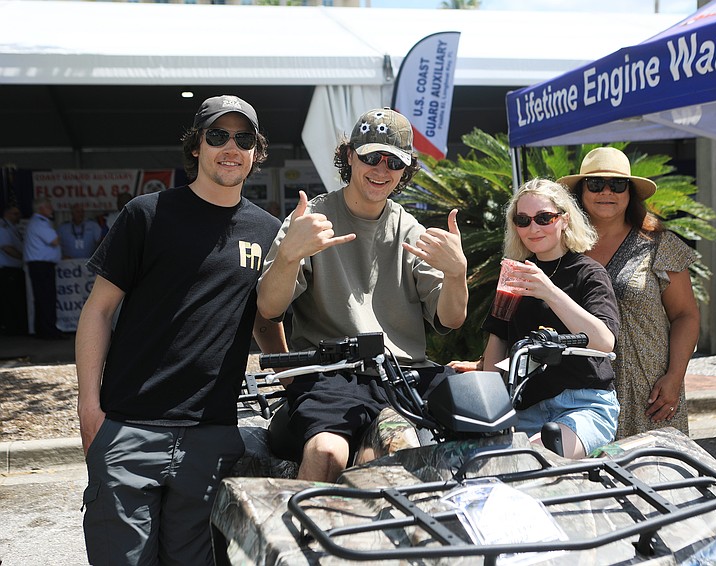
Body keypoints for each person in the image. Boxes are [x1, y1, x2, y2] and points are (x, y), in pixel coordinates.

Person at [76, 94, 287, 565]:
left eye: (243, 139)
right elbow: (98, 311)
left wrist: (294, 387)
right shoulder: (146, 215)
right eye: (217, 136)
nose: (230, 148)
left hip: (211, 436)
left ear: (256, 151)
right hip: (130, 425)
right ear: (196, 146)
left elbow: (265, 320)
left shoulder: (269, 231)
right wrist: (89, 406)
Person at [257, 107, 468, 483]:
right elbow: (268, 309)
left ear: (405, 171)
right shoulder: (312, 221)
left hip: (401, 375)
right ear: (350, 156)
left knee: (414, 444)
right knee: (326, 453)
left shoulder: (410, 229)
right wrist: (289, 256)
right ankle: (305, 541)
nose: (381, 169)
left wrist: (457, 274)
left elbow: (451, 319)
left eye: (394, 161)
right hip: (333, 374)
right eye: (371, 156)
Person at [469, 178, 620, 458]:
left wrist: (549, 292)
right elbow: (497, 344)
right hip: (525, 407)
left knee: (538, 456)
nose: (533, 228)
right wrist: (489, 410)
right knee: (490, 460)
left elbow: (604, 342)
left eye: (544, 217)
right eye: (522, 220)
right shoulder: (515, 276)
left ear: (564, 220)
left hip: (583, 405)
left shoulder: (589, 273)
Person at [558, 146, 700, 438]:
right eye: (595, 184)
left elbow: (686, 316)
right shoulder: (561, 248)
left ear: (630, 193)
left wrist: (674, 377)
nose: (606, 192)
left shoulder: (660, 244)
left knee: (658, 473)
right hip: (582, 391)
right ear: (581, 192)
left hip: (650, 391)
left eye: (617, 185)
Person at [23, 196, 62, 339]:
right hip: (42, 266)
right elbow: (55, 240)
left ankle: (43, 330)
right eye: (48, 206)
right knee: (47, 298)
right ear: (41, 209)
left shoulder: (36, 222)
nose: (51, 209)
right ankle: (49, 331)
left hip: (39, 266)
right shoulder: (41, 223)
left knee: (42, 298)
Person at [0, 204, 27, 335]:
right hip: (7, 270)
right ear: (7, 214)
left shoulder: (13, 227)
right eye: (15, 214)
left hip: (15, 269)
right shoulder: (3, 228)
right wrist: (23, 257)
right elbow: (7, 248)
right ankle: (12, 329)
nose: (18, 216)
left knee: (17, 300)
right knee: (10, 301)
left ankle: (16, 327)